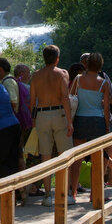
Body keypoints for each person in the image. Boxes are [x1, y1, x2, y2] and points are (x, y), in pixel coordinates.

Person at [70, 53, 112, 198]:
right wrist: (107, 126)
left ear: (87, 64)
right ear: (100, 65)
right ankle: (95, 193)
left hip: (80, 119)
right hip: (97, 121)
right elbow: (106, 108)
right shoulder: (103, 83)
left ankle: (73, 193)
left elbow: (71, 98)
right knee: (98, 159)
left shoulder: (78, 79)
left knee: (77, 159)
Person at [29, 45, 74, 207]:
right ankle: (66, 193)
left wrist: (33, 120)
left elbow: (32, 101)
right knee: (65, 154)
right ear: (57, 58)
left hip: (41, 114)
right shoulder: (62, 74)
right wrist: (70, 121)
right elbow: (65, 98)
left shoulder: (36, 76)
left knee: (45, 156)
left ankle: (48, 196)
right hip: (59, 113)